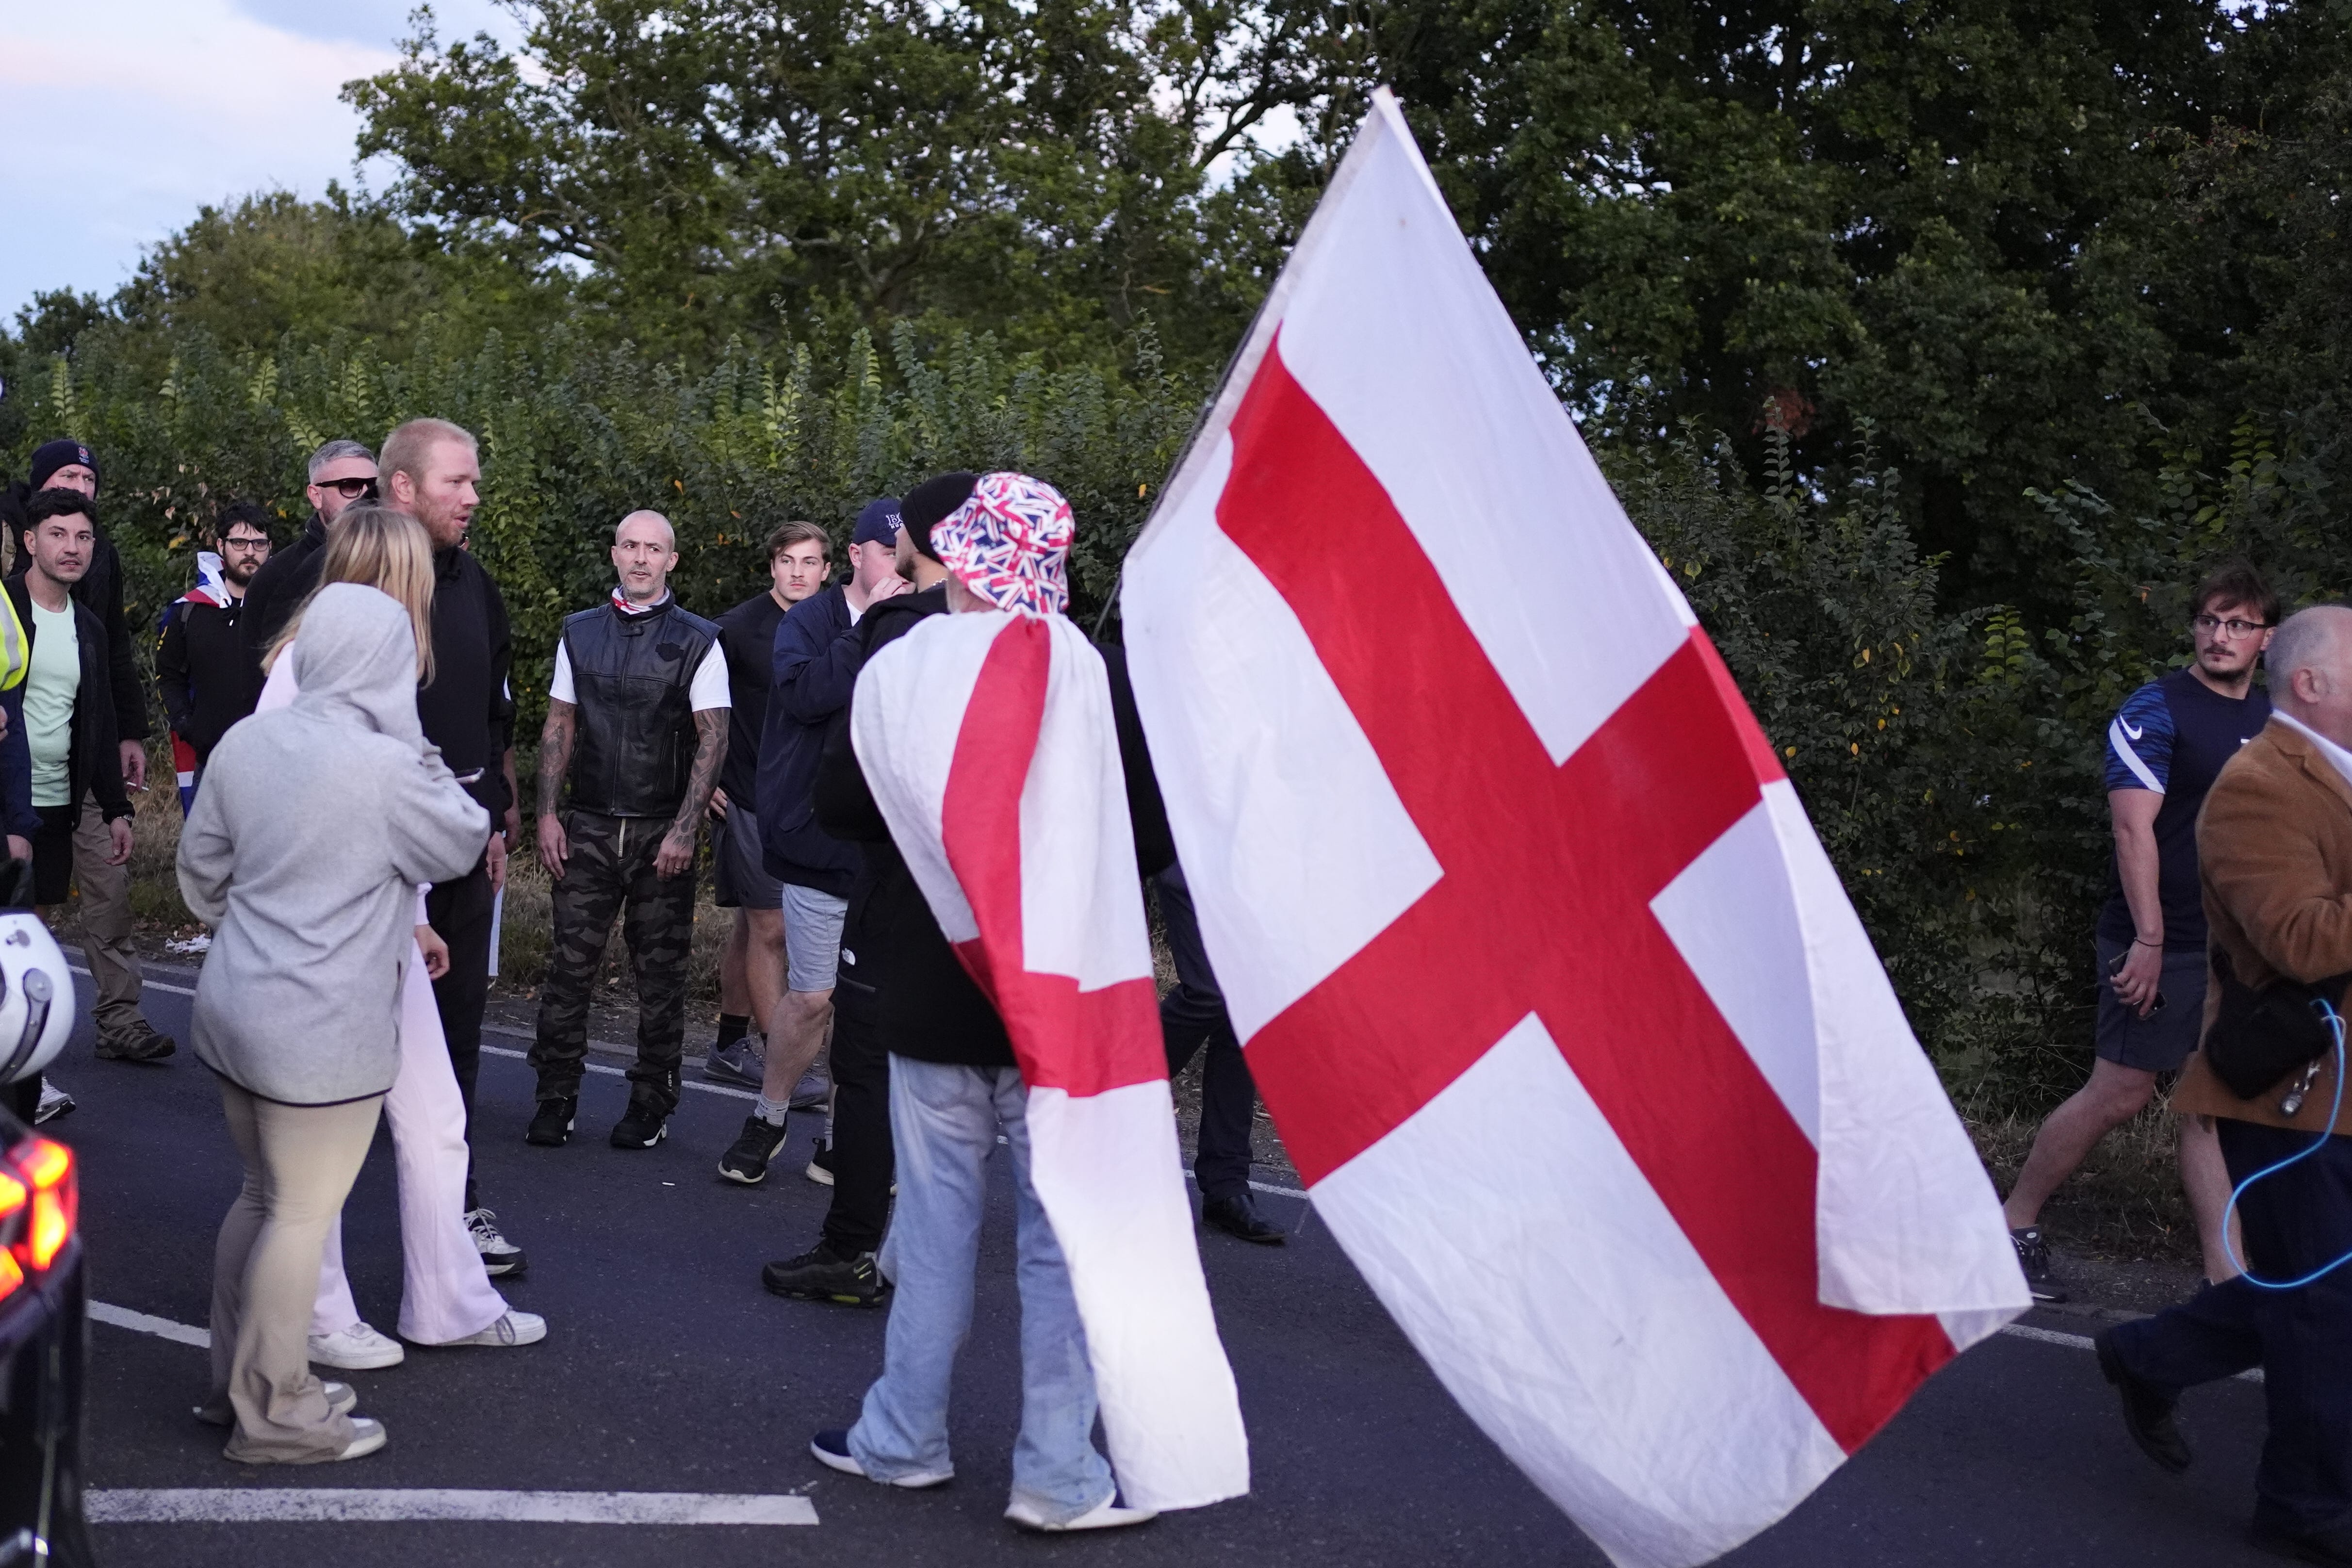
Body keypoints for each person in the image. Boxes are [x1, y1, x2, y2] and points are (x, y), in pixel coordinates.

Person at [804, 472, 1165, 1531]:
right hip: (1057, 997)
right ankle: (1058, 1471)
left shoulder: (902, 660)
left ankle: (902, 1436)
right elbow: (1145, 827)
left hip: (926, 986)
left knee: (932, 1222)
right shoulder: (1088, 671)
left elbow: (836, 801)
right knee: (1060, 1242)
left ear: (956, 555)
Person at [180, 583, 489, 1464]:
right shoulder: (388, 769)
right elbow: (462, 838)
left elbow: (202, 882)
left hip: (237, 1005)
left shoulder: (246, 740)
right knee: (301, 1216)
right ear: (389, 665)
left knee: (260, 1197)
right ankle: (277, 1413)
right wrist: (414, 740)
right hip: (322, 1034)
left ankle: (231, 1387)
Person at [241, 507, 546, 1371]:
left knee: (436, 1117)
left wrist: (413, 910)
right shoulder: (304, 668)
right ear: (385, 576)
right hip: (324, 936)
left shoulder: (383, 666)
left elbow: (396, 798)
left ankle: (446, 1302)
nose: (430, 592)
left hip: (384, 924)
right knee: (326, 1132)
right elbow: (279, 799)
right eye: (417, 574)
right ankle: (319, 1315)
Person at [2091, 604, 2352, 1564]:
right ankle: (2303, 1503)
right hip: (2295, 1097)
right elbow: (2302, 938)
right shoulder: (2256, 788)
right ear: (2314, 683)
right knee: (2325, 1302)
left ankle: (2149, 1354)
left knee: (2311, 1288)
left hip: (2337, 1090)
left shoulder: (2337, 775)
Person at [2002, 562, 2278, 1300]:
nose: (2221, 636)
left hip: (2235, 949)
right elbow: (2134, 833)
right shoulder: (2153, 710)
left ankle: (2230, 1282)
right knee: (2121, 1092)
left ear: (2266, 639)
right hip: (2162, 940)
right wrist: (2150, 942)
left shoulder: (2270, 722)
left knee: (2209, 1107)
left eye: (2239, 624)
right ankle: (2010, 1226)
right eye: (2209, 621)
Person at [527, 509, 728, 1151]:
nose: (642, 559)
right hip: (585, 826)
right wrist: (548, 814)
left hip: (658, 834)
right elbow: (559, 723)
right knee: (568, 972)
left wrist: (683, 831)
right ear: (615, 554)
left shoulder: (700, 640)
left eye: (655, 549)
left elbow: (713, 739)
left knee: (661, 979)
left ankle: (651, 1103)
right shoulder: (579, 634)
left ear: (673, 560)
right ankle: (555, 1098)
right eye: (632, 547)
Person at [719, 500, 907, 1187]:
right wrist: (870, 630)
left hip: (887, 850)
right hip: (816, 842)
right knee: (815, 996)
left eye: (910, 553)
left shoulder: (920, 626)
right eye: (891, 553)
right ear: (857, 558)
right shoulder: (809, 622)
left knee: (871, 1004)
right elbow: (805, 696)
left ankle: (839, 1137)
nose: (905, 567)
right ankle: (768, 1118)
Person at [11, 441, 170, 1062]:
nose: (73, 545)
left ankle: (88, 1033)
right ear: (32, 538)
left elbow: (103, 689)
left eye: (83, 535)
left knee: (55, 920)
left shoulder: (91, 613)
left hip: (72, 780)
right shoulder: (5, 604)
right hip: (11, 792)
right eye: (58, 532)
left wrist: (119, 794)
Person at [700, 519, 840, 1096]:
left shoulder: (840, 624)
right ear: (772, 566)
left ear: (828, 569)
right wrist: (701, 776)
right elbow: (693, 701)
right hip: (751, 798)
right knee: (772, 929)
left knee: (750, 928)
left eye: (810, 562)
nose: (799, 572)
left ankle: (729, 1047)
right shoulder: (735, 629)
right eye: (788, 561)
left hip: (814, 804)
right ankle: (784, 1061)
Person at [1155, 861, 1284, 1243]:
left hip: (1259, 858)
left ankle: (1226, 1186)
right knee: (1207, 993)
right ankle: (1102, 1096)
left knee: (1246, 1006)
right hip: (1187, 841)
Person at [156, 500, 273, 808]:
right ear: (221, 546)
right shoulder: (189, 611)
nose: (250, 552)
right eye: (240, 542)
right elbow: (167, 677)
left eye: (259, 543)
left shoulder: (284, 611)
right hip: (209, 762)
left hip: (274, 762)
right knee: (207, 854)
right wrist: (188, 726)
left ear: (270, 548)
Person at [238, 439, 380, 673]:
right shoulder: (278, 577)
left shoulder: (408, 562)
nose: (366, 497)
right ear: (316, 495)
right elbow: (257, 679)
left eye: (374, 486)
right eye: (350, 485)